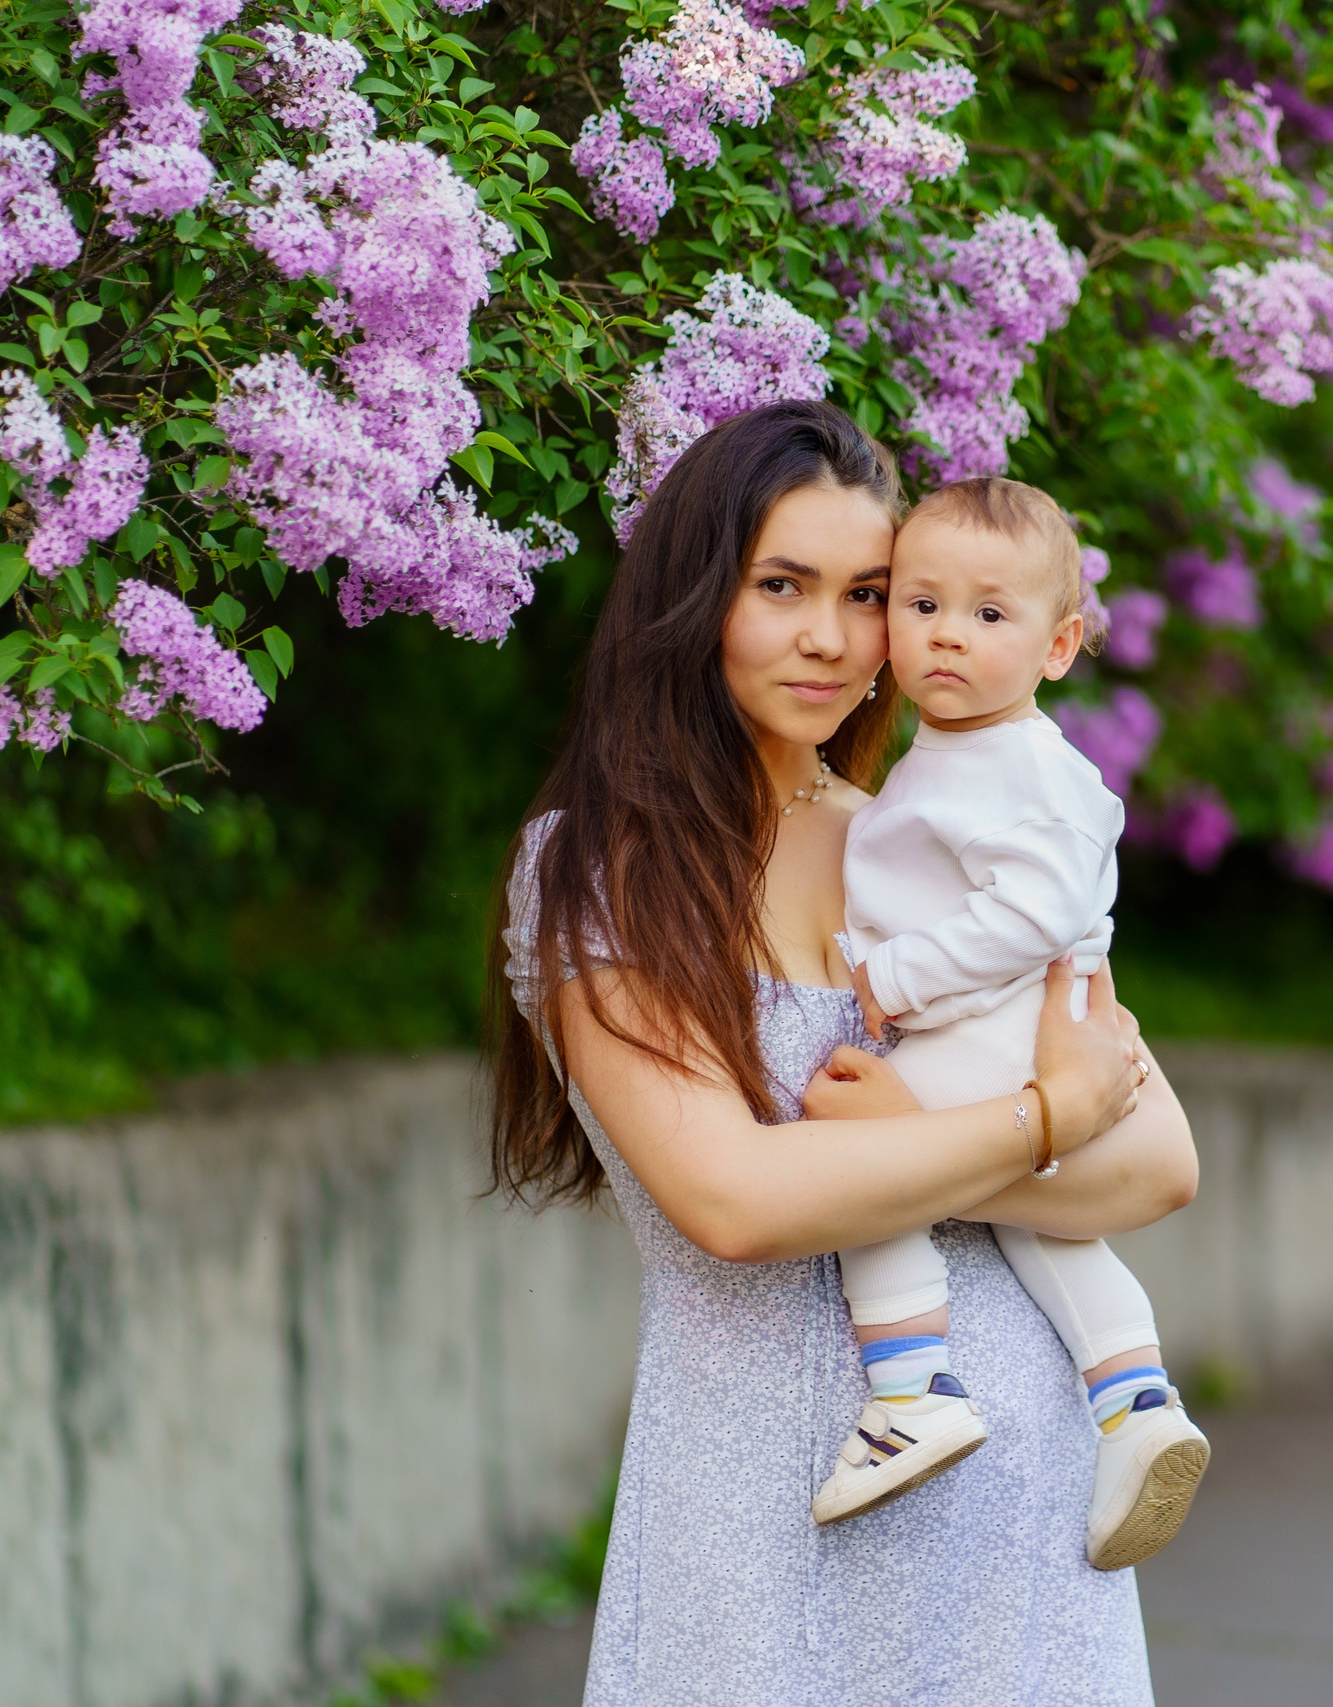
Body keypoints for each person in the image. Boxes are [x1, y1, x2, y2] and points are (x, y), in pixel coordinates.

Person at [490, 399, 1193, 1705]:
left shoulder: (928, 839)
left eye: (868, 591)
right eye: (780, 585)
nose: (830, 635)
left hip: (1030, 1542)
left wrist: (963, 1133)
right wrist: (1040, 1122)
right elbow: (737, 1199)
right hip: (769, 1531)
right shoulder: (601, 867)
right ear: (694, 599)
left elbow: (1153, 1159)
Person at [814, 476, 1209, 1574]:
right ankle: (1137, 1405)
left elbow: (1034, 914)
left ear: (1059, 644)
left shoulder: (1019, 765)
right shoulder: (963, 754)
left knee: (860, 1157)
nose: (946, 637)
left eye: (990, 615)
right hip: (1017, 1032)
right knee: (1050, 1226)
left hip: (988, 1026)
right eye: (921, 605)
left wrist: (898, 977)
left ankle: (909, 1389)